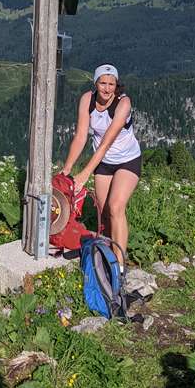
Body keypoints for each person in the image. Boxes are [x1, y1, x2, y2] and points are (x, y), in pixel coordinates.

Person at [60, 64, 141, 271]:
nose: (106, 88)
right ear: (95, 83)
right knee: (104, 213)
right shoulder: (87, 100)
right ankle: (107, 254)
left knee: (116, 207)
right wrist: (67, 169)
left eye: (111, 84)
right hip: (104, 164)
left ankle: (118, 267)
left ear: (116, 85)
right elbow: (81, 136)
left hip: (127, 160)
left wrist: (85, 173)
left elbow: (105, 143)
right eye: (102, 83)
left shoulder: (123, 103)